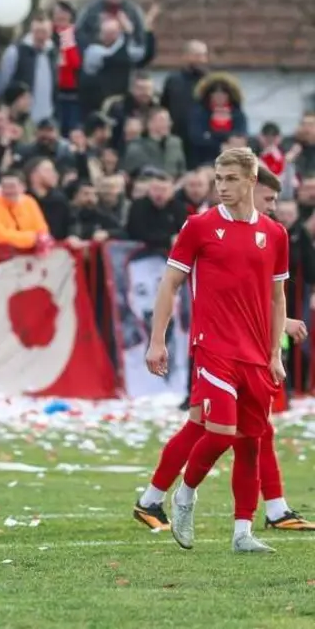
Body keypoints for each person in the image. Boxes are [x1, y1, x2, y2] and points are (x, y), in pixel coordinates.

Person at [133, 166, 313, 534]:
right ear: (253, 188)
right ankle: (269, 507)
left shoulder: (269, 232)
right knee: (234, 432)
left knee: (206, 428)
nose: (273, 206)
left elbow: (258, 289)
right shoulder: (205, 226)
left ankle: (152, 499)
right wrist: (157, 341)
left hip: (254, 347)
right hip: (218, 347)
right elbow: (204, 286)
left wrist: (282, 323)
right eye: (269, 198)